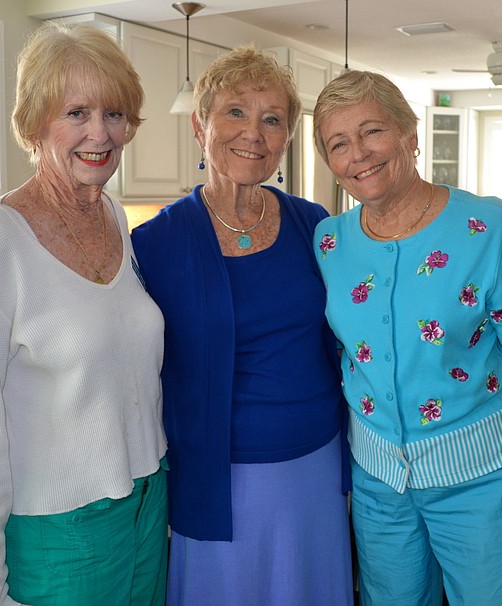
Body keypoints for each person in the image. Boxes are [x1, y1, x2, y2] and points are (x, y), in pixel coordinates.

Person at [311, 70, 502, 605]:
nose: (358, 153)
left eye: (372, 131)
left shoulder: (490, 227)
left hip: (488, 484)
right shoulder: (328, 242)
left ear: (410, 133)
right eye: (338, 144)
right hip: (380, 488)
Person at [0, 23, 168, 606]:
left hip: (147, 504)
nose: (100, 133)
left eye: (114, 113)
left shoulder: (115, 217)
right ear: (36, 122)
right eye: (77, 112)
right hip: (59, 529)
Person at [131, 45, 353, 606]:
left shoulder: (315, 225)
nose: (253, 132)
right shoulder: (155, 243)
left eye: (272, 119)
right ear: (199, 127)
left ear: (285, 140)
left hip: (316, 462)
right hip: (218, 475)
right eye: (235, 112)